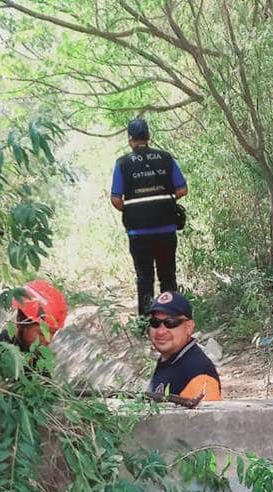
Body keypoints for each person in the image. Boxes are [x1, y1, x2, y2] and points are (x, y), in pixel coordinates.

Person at [110, 118, 188, 317]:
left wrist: (135, 208)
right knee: (168, 276)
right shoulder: (165, 158)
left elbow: (116, 199)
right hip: (166, 229)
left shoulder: (123, 163)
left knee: (144, 278)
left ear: (130, 139)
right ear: (148, 137)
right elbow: (182, 189)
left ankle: (146, 322)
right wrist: (164, 200)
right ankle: (171, 318)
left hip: (138, 232)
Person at [0, 279, 68, 385]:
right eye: (41, 333)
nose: (47, 340)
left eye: (52, 333)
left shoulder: (36, 354)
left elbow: (48, 387)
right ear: (21, 323)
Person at [144, 291, 221, 401]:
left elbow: (210, 416)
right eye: (155, 322)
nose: (160, 332)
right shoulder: (170, 360)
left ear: (189, 327)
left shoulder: (198, 373)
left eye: (170, 323)